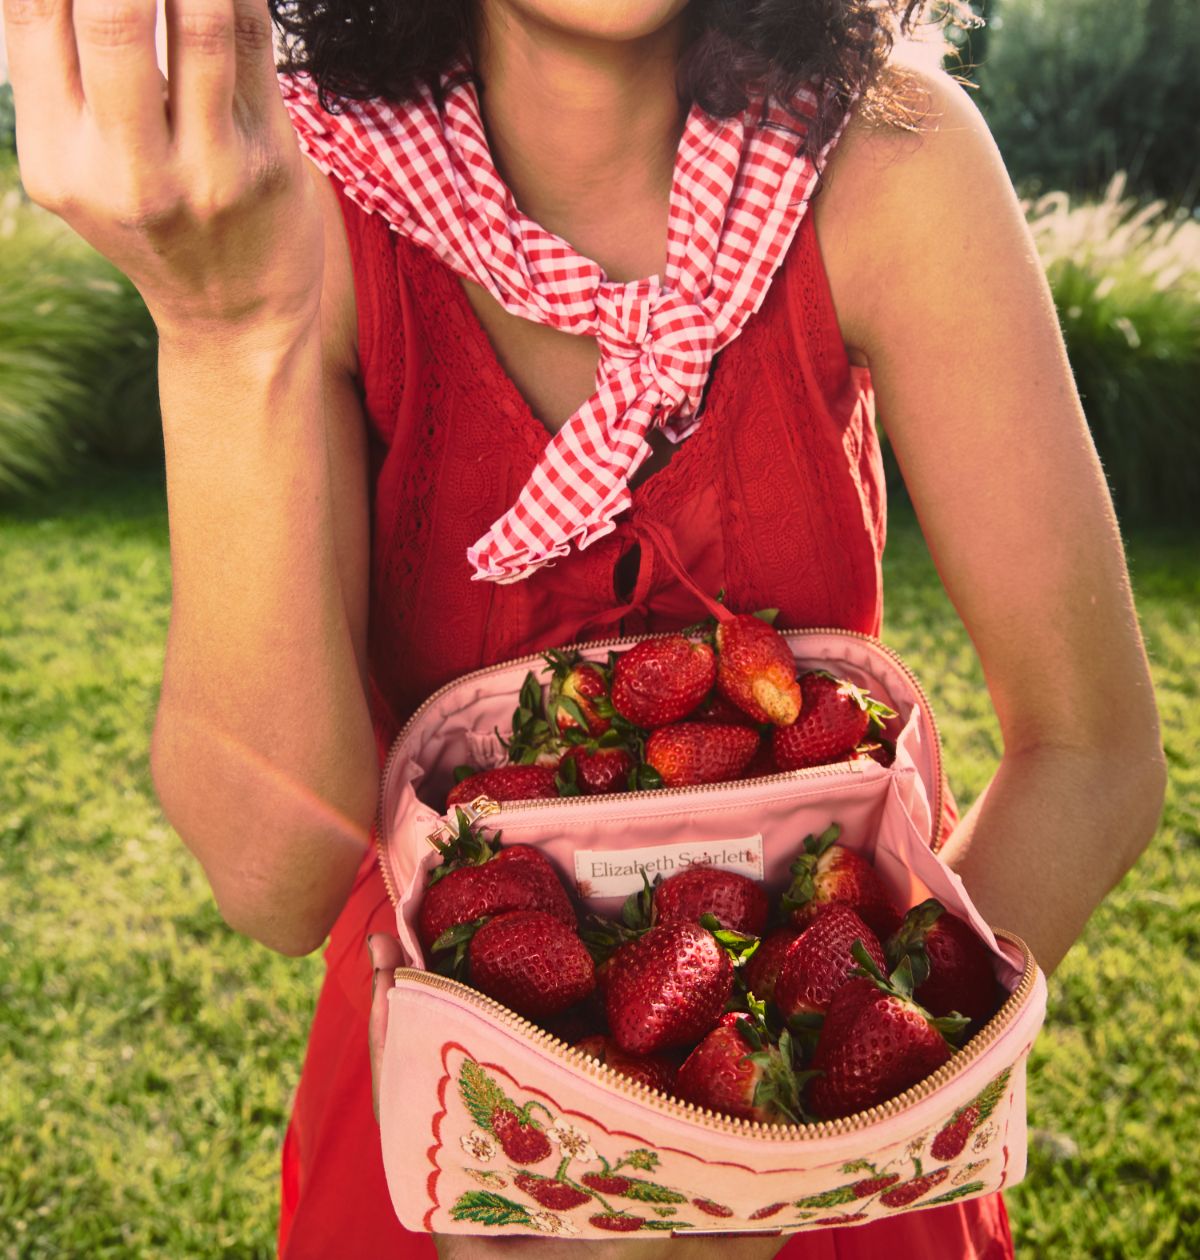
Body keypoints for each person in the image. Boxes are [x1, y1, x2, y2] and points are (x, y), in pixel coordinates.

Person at [3, 0, 1166, 1256]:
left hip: (820, 1132)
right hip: (459, 1124)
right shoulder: (295, 189)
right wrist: (226, 334)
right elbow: (276, 879)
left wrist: (793, 1143)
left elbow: (1092, 755)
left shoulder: (896, 159)